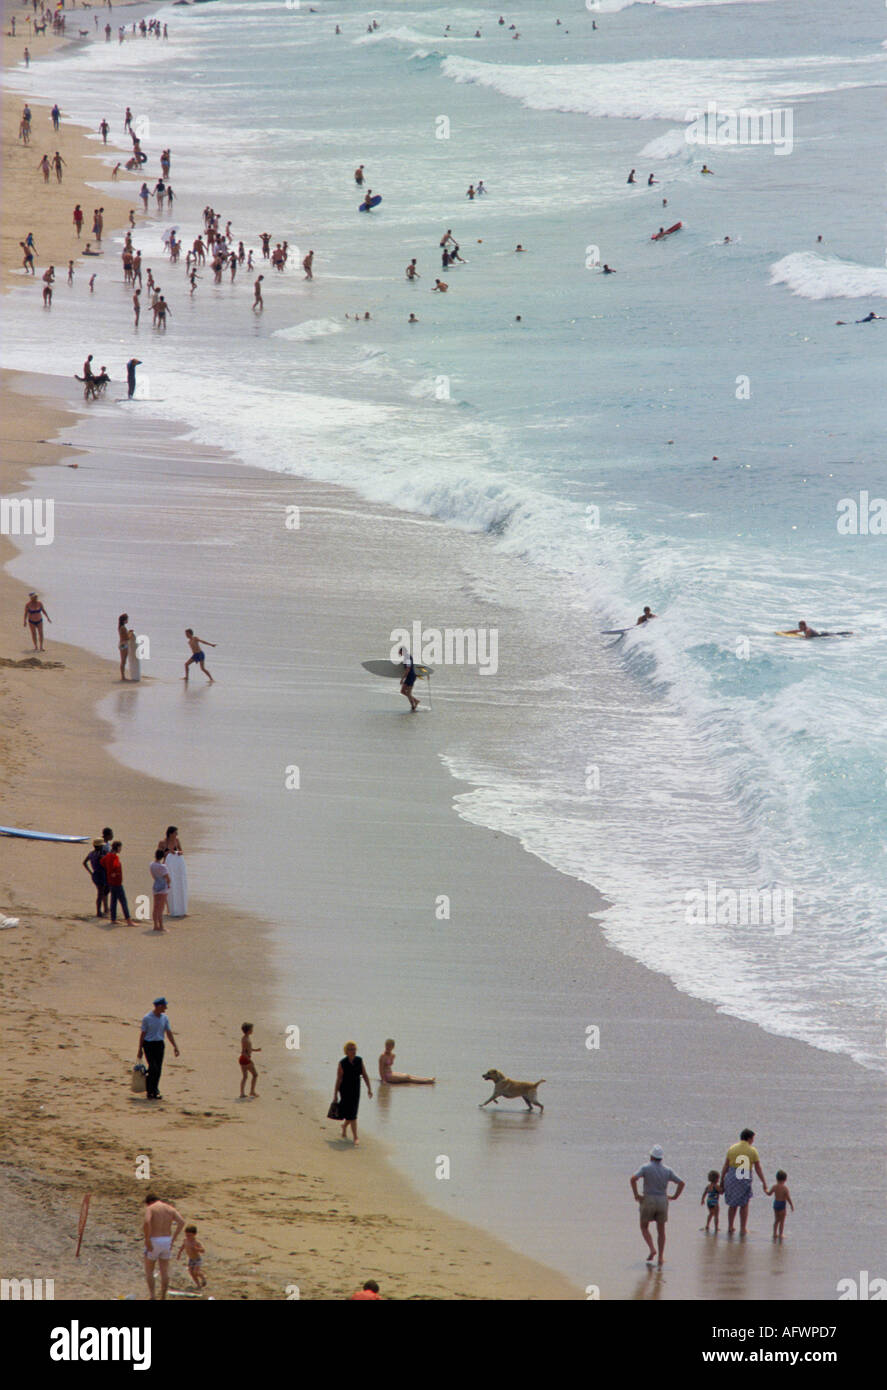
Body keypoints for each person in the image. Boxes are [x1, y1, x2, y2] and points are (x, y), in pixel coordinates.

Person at [630, 1144, 684, 1266]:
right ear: (661, 1158)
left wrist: (636, 1195)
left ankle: (652, 1249)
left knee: (644, 1227)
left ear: (651, 1156)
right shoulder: (667, 1170)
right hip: (662, 1200)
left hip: (648, 1199)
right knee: (661, 1231)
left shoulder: (645, 1168)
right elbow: (681, 1183)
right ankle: (660, 1257)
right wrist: (675, 1196)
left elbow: (633, 1179)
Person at [720, 1128, 767, 1235]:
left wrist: (721, 1180)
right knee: (744, 1204)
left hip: (732, 1176)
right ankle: (743, 1228)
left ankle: (730, 1226)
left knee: (733, 1204)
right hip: (744, 1175)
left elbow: (726, 1166)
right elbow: (758, 1168)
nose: (753, 1141)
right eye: (753, 1138)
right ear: (749, 1138)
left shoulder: (732, 1148)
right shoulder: (752, 1150)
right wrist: (764, 1182)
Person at [143, 1195, 185, 1299]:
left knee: (149, 1270)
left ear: (149, 1202)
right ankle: (163, 1295)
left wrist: (147, 1239)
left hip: (154, 1239)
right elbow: (181, 1222)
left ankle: (152, 1295)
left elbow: (147, 1222)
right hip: (167, 1240)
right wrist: (174, 1238)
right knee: (164, 1271)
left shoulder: (151, 1208)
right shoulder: (170, 1208)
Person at [138, 998, 180, 1100]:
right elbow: (143, 1034)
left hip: (159, 1045)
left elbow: (168, 1033)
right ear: (159, 1006)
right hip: (148, 1045)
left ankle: (155, 1090)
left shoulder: (165, 1018)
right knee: (153, 1067)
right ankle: (150, 1090)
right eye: (164, 1006)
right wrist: (140, 1049)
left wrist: (175, 1046)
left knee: (158, 1069)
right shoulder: (147, 1018)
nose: (166, 1008)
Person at [333, 1042, 372, 1145]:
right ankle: (354, 1136)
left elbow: (364, 1074)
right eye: (351, 1049)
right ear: (346, 1051)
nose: (353, 1051)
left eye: (354, 1049)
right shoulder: (342, 1063)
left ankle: (347, 1128)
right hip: (345, 1090)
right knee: (350, 1113)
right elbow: (339, 1079)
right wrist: (335, 1095)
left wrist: (369, 1088)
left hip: (355, 1090)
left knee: (353, 1112)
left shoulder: (359, 1060)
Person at [101, 840, 135, 926]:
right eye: (120, 847)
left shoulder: (108, 856)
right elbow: (115, 867)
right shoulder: (115, 857)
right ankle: (128, 920)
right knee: (123, 901)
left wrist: (109, 872)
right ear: (118, 847)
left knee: (113, 900)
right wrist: (114, 873)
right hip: (117, 882)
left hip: (110, 882)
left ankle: (113, 919)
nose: (121, 849)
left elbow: (102, 862)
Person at [82, 839, 109, 917]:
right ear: (99, 846)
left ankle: (102, 910)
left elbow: (84, 863)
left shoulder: (91, 853)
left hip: (95, 875)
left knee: (101, 892)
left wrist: (91, 872)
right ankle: (99, 912)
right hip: (101, 875)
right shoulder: (101, 854)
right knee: (101, 893)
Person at [765, 1170, 793, 1240]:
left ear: (776, 1178)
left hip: (776, 1204)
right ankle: (780, 1234)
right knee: (782, 1221)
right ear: (785, 1179)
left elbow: (769, 1194)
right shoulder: (785, 1188)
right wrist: (791, 1205)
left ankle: (774, 1233)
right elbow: (788, 1198)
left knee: (777, 1220)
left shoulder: (775, 1186)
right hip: (782, 1204)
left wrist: (765, 1190)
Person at [150, 849, 170, 933]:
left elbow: (153, 876)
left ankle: (155, 925)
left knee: (155, 907)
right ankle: (161, 926)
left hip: (156, 885)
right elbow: (168, 878)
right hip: (162, 887)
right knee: (161, 908)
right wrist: (168, 884)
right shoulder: (162, 867)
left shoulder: (152, 865)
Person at [239, 1023, 260, 1098]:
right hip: (245, 1059)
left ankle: (242, 1093)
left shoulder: (245, 1038)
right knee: (255, 1075)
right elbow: (243, 1051)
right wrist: (249, 1060)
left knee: (245, 1077)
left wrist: (255, 1050)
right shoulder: (246, 1040)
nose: (252, 1030)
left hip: (243, 1059)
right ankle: (252, 1091)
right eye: (251, 1029)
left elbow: (248, 1049)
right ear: (248, 1031)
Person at [398, 646, 419, 711]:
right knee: (403, 691)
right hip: (409, 676)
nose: (399, 653)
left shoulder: (407, 657)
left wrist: (402, 679)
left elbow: (408, 669)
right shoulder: (406, 657)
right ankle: (415, 701)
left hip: (411, 676)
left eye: (400, 651)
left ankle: (413, 706)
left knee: (408, 693)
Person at [117, 612, 133, 679]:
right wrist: (130, 633)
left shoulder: (121, 627)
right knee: (123, 661)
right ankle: (123, 676)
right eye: (127, 619)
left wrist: (128, 632)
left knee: (123, 660)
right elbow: (127, 638)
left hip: (122, 644)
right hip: (124, 645)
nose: (128, 620)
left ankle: (123, 676)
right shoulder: (123, 628)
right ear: (124, 620)